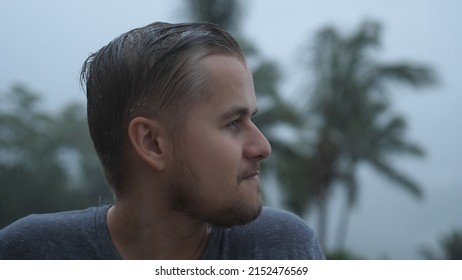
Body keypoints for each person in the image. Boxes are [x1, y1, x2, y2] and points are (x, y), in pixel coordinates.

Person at [0, 22, 325, 260]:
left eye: (251, 119)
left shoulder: (282, 249)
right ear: (152, 143)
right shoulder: (29, 255)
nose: (262, 147)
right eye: (232, 123)